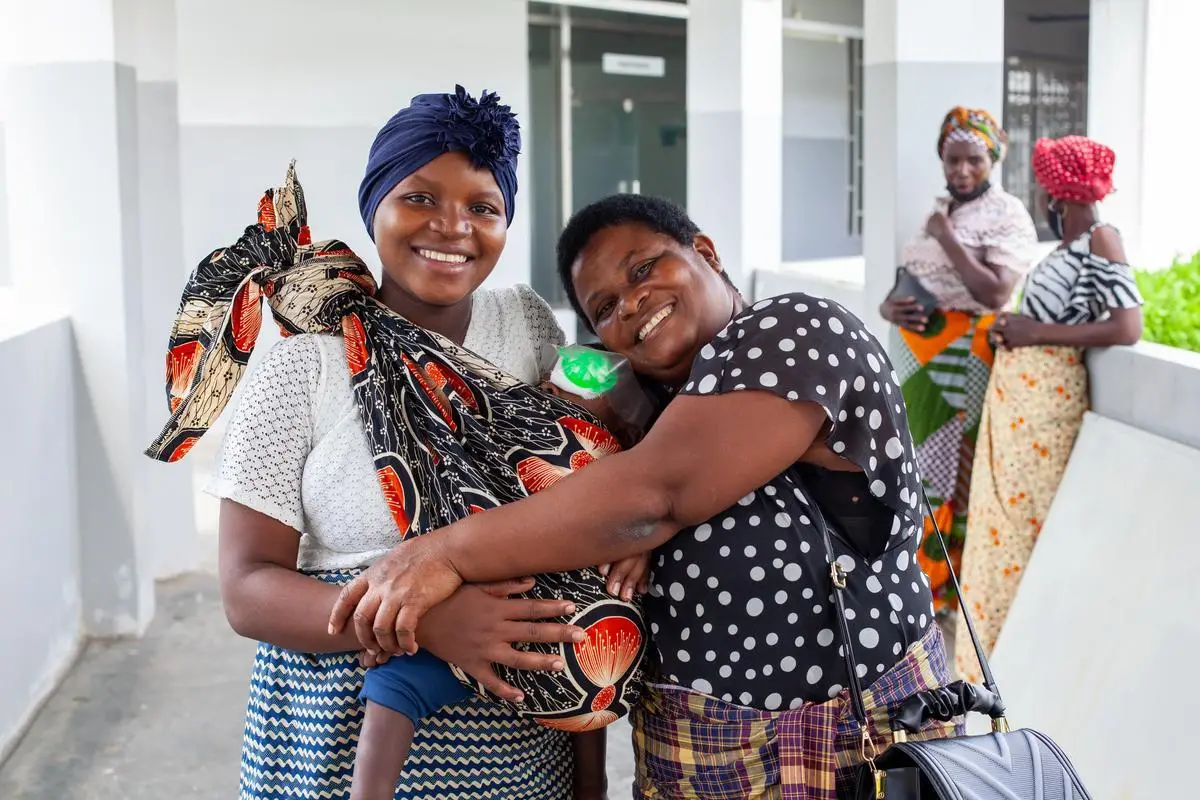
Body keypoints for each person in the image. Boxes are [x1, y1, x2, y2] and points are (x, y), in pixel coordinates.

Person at [328, 194, 963, 799]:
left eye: (643, 269)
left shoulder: (796, 329)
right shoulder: (639, 409)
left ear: (705, 253)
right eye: (604, 308)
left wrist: (439, 556)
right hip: (698, 748)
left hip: (865, 729)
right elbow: (604, 516)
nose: (631, 303)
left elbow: (656, 497)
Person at [146, 88, 630, 800]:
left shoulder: (524, 326)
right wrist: (422, 620)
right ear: (374, 204)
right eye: (419, 197)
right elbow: (247, 589)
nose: (452, 226)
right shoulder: (304, 365)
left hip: (524, 752)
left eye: (483, 207)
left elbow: (582, 465)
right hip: (337, 740)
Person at [955, 135, 1143, 681]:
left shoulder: (1102, 237)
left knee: (1024, 526)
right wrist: (1015, 330)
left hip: (1045, 405)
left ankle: (1017, 657)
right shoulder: (1071, 245)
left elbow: (1127, 326)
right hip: (1021, 401)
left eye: (1043, 184)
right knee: (1001, 525)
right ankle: (992, 659)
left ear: (1057, 191)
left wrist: (1035, 332)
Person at [878, 107, 1038, 614]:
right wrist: (889, 307)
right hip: (915, 356)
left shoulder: (1007, 214)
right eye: (953, 160)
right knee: (912, 464)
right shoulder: (942, 206)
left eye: (974, 160)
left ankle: (943, 590)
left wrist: (945, 234)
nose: (962, 171)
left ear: (994, 159)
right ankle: (910, 580)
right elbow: (913, 278)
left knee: (951, 471)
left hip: (964, 354)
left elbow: (994, 293)